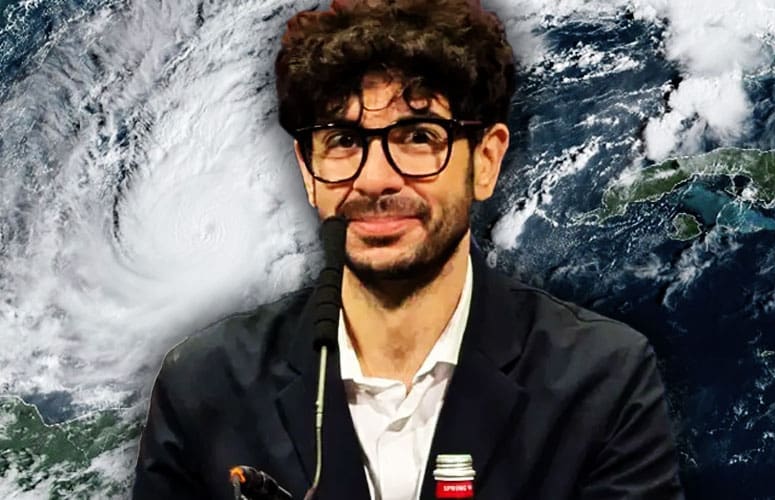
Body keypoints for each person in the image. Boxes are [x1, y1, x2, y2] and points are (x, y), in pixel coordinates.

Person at [133, 0, 685, 499]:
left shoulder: (602, 382)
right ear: (308, 170)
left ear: (486, 160)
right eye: (343, 140)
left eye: (419, 136)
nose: (375, 179)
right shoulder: (203, 387)